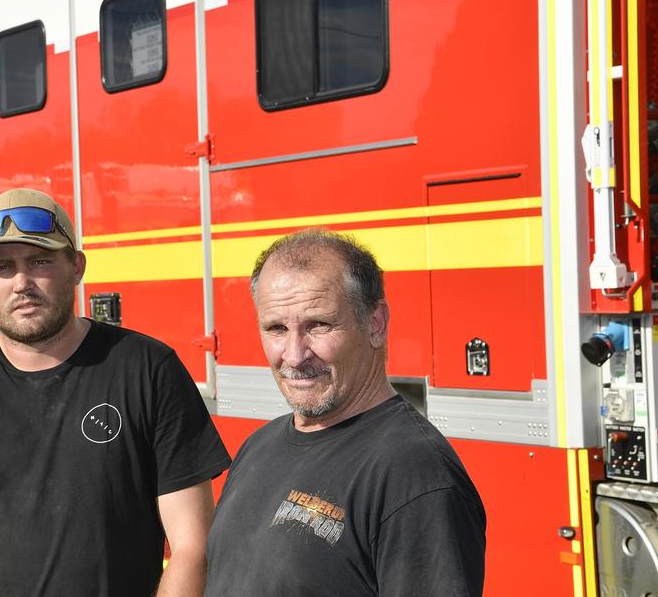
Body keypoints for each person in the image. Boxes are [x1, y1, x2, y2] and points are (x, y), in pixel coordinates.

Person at [0, 188, 231, 597]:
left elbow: (192, 547)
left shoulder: (147, 370)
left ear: (76, 266)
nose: (21, 283)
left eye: (40, 261)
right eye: (1, 267)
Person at [204, 228, 486, 596]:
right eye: (276, 328)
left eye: (318, 325)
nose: (294, 354)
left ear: (375, 323)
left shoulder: (415, 476)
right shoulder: (258, 446)